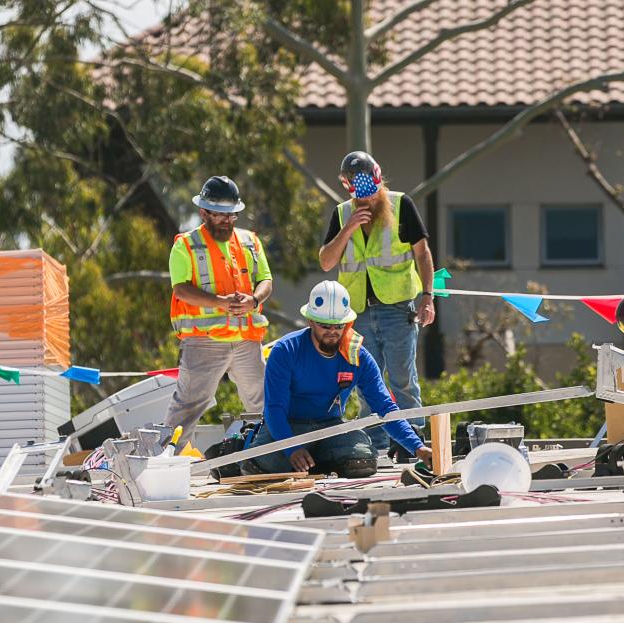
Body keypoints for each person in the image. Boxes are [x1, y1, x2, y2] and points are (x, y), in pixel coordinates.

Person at [243, 280, 432, 478]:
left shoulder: (357, 356)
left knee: (363, 461)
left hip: (330, 427)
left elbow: (384, 407)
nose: (332, 332)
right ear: (310, 322)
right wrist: (292, 449)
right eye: (324, 325)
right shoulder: (286, 350)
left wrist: (418, 448)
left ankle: (314, 461)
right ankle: (296, 457)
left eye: (338, 326)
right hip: (288, 426)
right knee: (262, 466)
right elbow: (274, 409)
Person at [318, 151, 435, 459]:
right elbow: (327, 262)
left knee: (402, 377)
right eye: (360, 197)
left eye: (371, 194)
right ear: (348, 189)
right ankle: (374, 443)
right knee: (366, 382)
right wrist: (349, 229)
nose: (367, 202)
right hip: (358, 313)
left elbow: (423, 253)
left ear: (379, 181)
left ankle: (412, 442)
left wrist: (427, 296)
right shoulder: (343, 214)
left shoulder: (401, 205)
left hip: (398, 308)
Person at [164, 175, 273, 448]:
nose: (227, 220)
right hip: (204, 341)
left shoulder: (250, 242)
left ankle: (271, 454)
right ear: (203, 212)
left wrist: (254, 299)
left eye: (232, 215)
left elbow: (266, 280)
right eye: (220, 215)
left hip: (246, 338)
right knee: (187, 407)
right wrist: (220, 302)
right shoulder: (186, 245)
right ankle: (164, 464)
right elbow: (181, 290)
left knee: (264, 401)